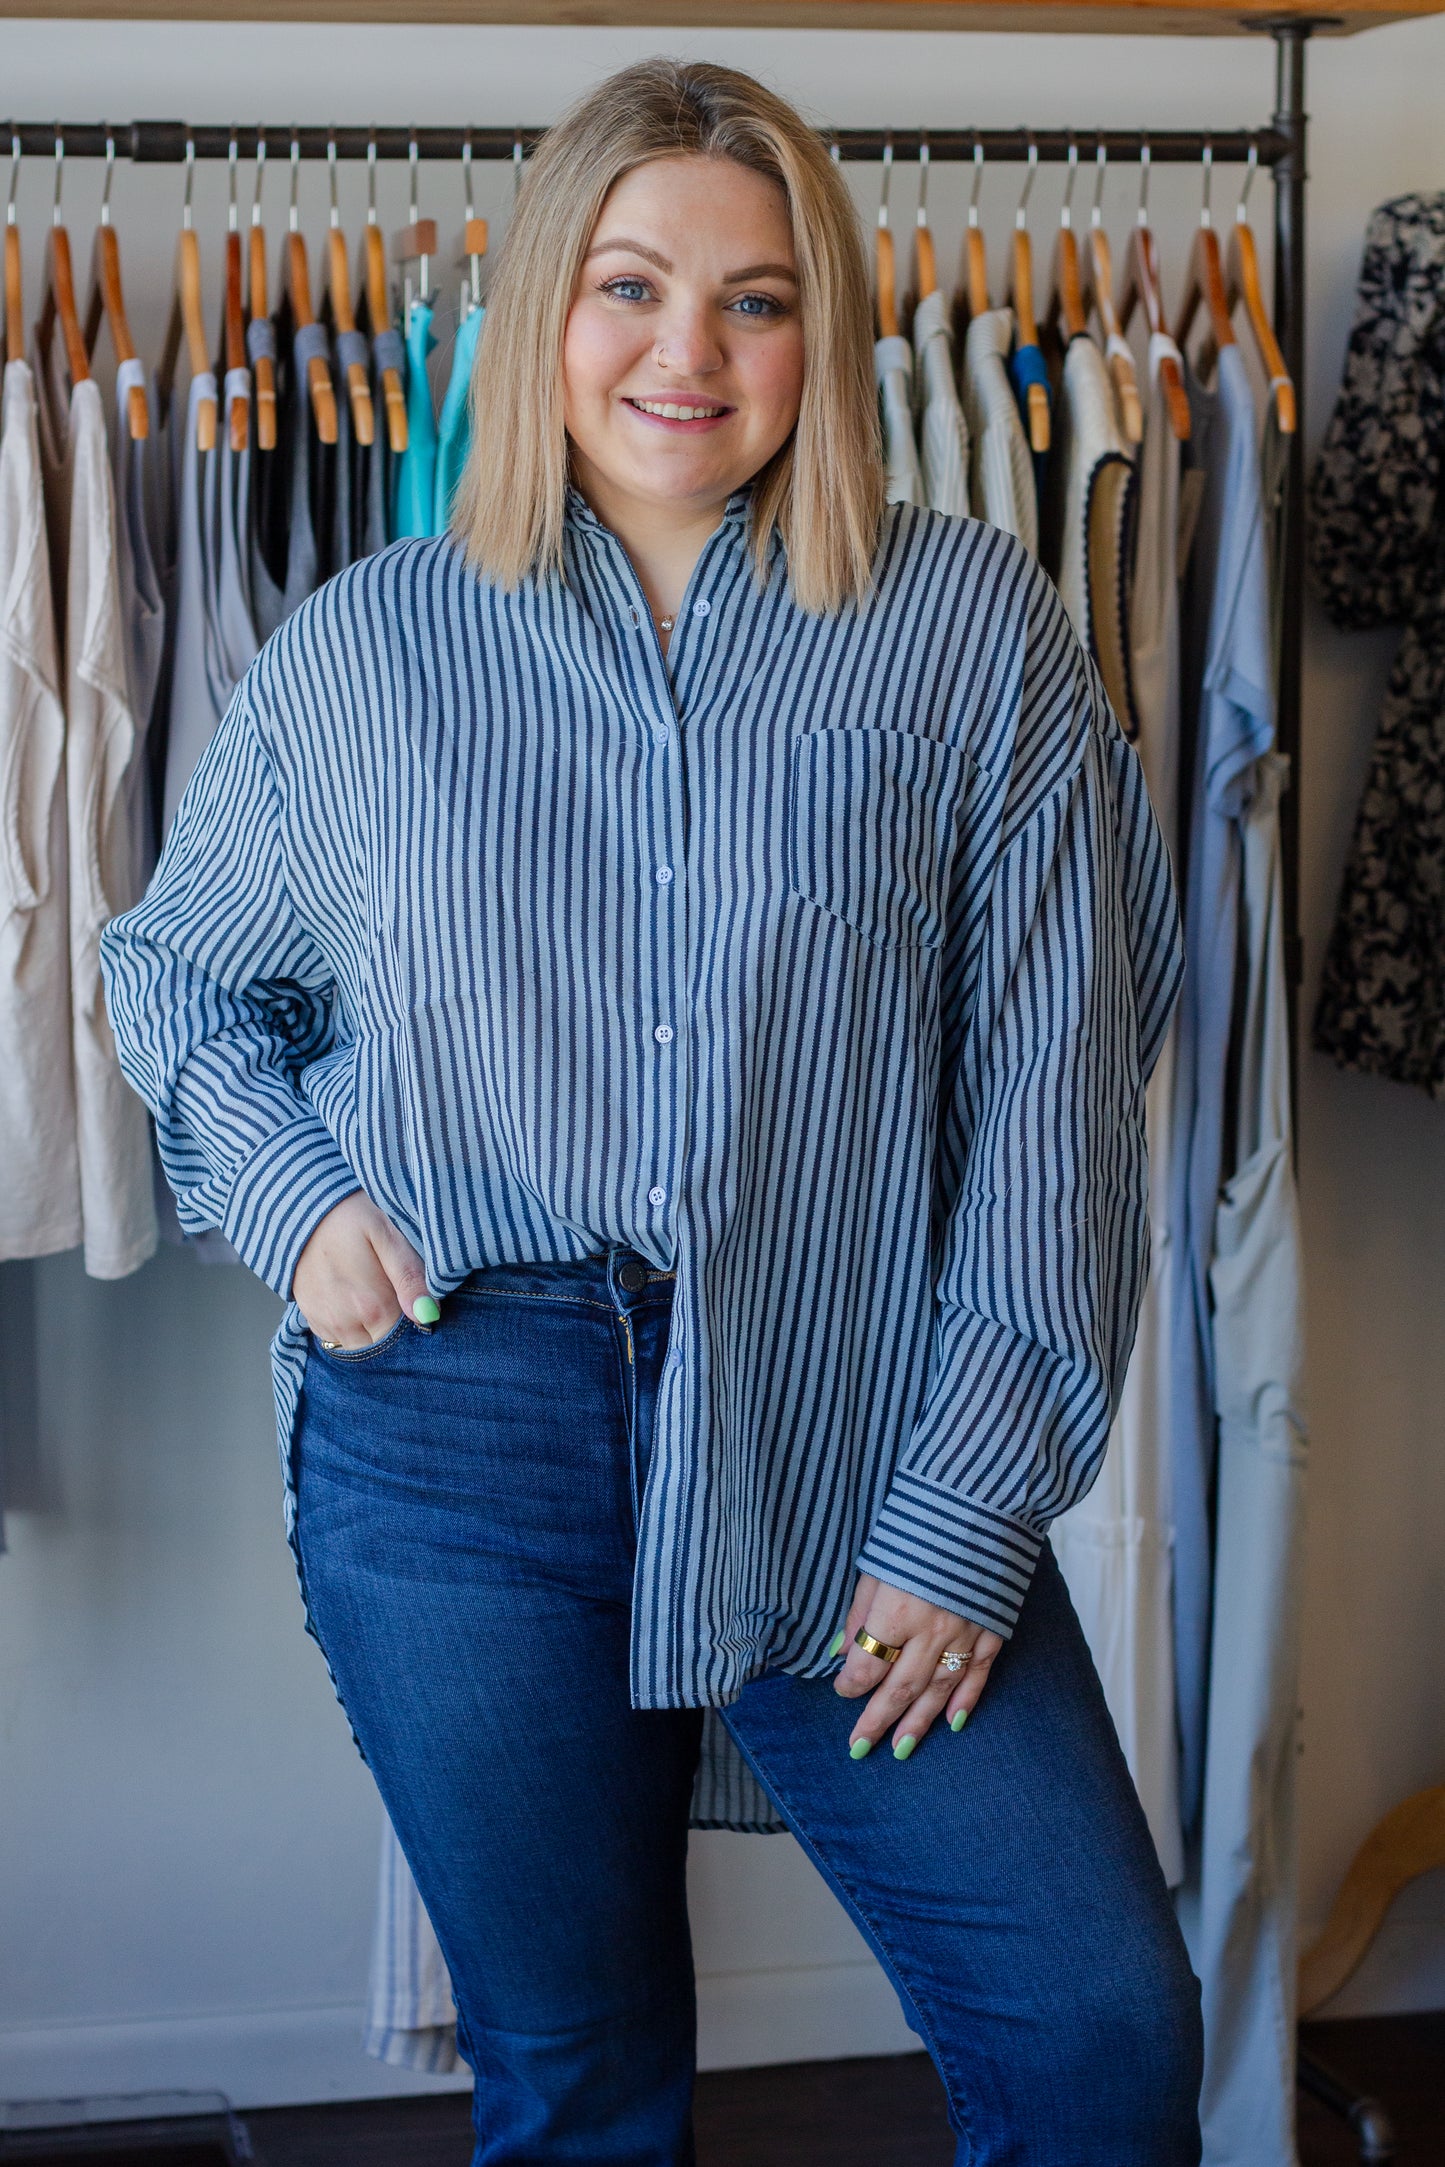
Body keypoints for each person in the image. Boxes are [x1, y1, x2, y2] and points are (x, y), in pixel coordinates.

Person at [102, 59, 1202, 2166]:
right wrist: (299, 1193)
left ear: (832, 329)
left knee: (1097, 2039)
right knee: (581, 2086)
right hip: (458, 1437)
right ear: (539, 308)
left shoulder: (972, 632)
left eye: (759, 298)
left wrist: (968, 1509)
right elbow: (172, 971)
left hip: (854, 1413)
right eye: (629, 284)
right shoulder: (374, 648)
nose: (688, 353)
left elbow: (1063, 1098)